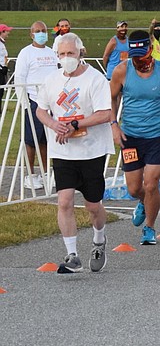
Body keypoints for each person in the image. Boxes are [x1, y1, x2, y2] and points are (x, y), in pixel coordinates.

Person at [35, 33, 113, 273]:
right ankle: (72, 255)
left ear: (81, 53)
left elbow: (105, 113)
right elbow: (41, 110)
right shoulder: (51, 80)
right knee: (65, 201)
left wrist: (77, 124)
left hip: (91, 151)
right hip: (63, 151)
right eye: (62, 54)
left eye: (70, 53)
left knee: (93, 206)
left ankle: (99, 239)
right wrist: (52, 124)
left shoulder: (95, 79)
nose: (66, 58)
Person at [110, 31, 160, 245]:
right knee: (134, 189)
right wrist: (114, 125)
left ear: (151, 50)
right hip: (130, 136)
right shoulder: (121, 71)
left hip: (157, 135)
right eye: (135, 55)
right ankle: (144, 202)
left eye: (143, 54)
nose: (139, 60)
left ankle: (149, 227)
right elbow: (112, 99)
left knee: (151, 184)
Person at [15, 21, 59, 190]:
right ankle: (30, 175)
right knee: (30, 140)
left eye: (44, 31)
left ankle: (46, 172)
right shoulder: (26, 53)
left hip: (51, 103)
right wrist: (23, 102)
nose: (41, 34)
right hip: (33, 101)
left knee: (46, 140)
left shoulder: (51, 52)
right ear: (31, 34)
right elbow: (20, 77)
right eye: (38, 31)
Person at [0, 23, 11, 102]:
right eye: (7, 31)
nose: (8, 33)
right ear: (2, 32)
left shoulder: (2, 43)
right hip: (0, 69)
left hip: (3, 70)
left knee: (1, 92)